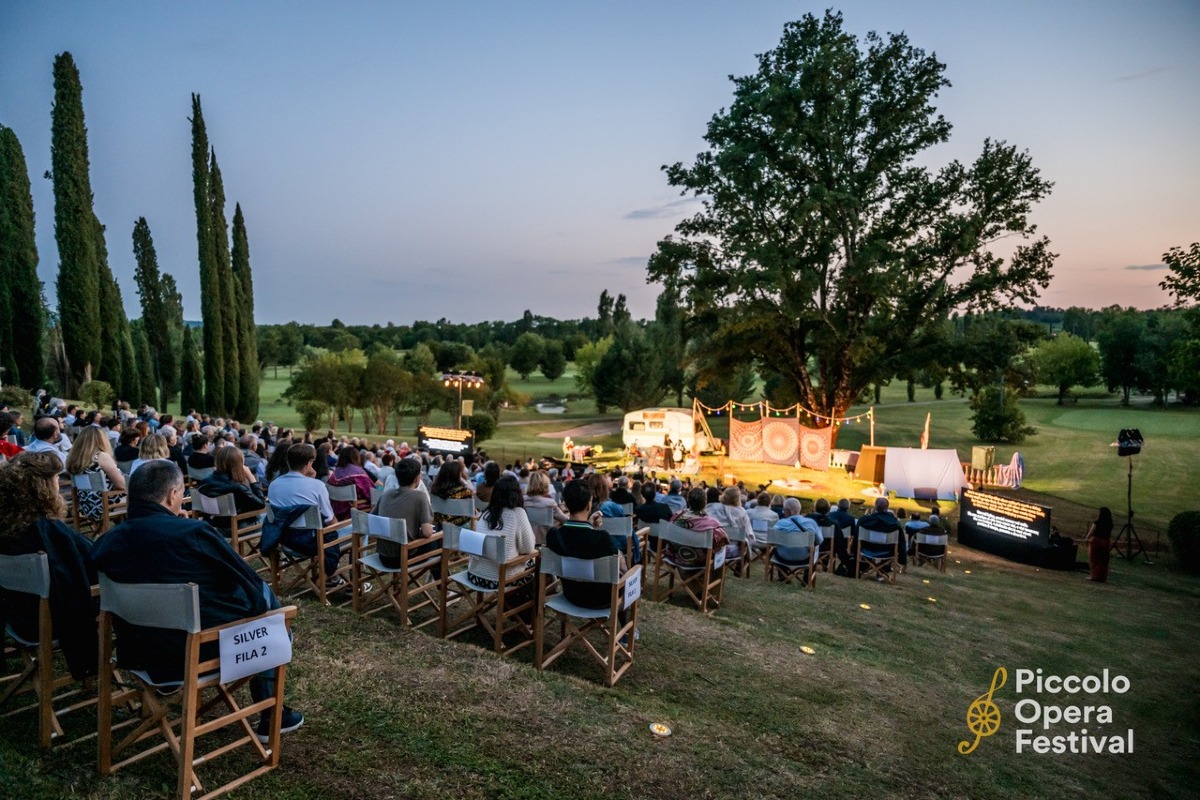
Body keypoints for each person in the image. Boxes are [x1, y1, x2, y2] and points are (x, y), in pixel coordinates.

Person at [89, 460, 304, 741]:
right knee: (270, 609)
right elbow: (249, 581)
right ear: (171, 496)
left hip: (137, 651)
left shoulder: (106, 542)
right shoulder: (194, 534)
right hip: (197, 652)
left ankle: (168, 690)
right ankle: (270, 715)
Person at [0, 452, 97, 680]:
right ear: (43, 486)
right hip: (54, 619)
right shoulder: (49, 531)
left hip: (16, 616)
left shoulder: (8, 527)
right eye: (56, 479)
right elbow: (94, 558)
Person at [265, 444, 340, 586]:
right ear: (309, 463)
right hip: (311, 543)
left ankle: (330, 576)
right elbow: (330, 520)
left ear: (288, 461)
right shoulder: (317, 486)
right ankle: (328, 577)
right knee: (348, 533)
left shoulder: (274, 485)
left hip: (283, 540)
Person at [544, 479, 625, 610]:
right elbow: (615, 561)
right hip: (604, 599)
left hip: (570, 595)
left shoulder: (553, 536)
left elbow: (577, 538)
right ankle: (627, 629)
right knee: (621, 560)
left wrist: (588, 524)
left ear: (566, 504)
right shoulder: (601, 537)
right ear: (589, 505)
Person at [467, 475, 535, 591]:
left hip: (475, 574)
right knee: (536, 563)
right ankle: (521, 607)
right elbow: (528, 549)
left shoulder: (485, 514)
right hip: (500, 579)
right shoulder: (518, 513)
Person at [373, 457, 435, 569]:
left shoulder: (386, 494)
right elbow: (427, 533)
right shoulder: (420, 497)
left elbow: (372, 519)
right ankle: (441, 584)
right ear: (417, 479)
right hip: (405, 556)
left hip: (384, 556)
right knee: (438, 541)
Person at [64, 426, 127, 525]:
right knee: (142, 498)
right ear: (102, 440)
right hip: (104, 506)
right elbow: (122, 485)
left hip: (86, 507)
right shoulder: (101, 456)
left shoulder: (74, 459)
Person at [197, 446, 267, 533]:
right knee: (271, 517)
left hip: (212, 527)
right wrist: (252, 479)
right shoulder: (237, 488)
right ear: (239, 465)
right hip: (234, 529)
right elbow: (261, 504)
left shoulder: (205, 482)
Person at [666, 487, 729, 569]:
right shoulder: (713, 524)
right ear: (705, 502)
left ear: (688, 501)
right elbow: (722, 543)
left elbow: (669, 536)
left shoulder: (676, 517)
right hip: (701, 561)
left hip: (678, 557)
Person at [857, 497, 904, 574]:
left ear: (875, 506)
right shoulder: (895, 523)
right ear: (887, 508)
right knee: (892, 545)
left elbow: (857, 535)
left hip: (866, 549)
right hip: (886, 551)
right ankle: (883, 571)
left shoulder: (864, 520)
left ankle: (864, 568)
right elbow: (901, 542)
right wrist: (902, 559)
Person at [773, 497, 824, 565]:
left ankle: (783, 575)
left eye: (784, 510)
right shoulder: (811, 523)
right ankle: (807, 575)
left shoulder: (780, 523)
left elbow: (772, 540)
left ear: (789, 511)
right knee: (814, 551)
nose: (783, 512)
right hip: (805, 558)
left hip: (782, 558)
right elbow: (820, 541)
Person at [328, 447, 374, 520]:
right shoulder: (359, 473)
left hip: (335, 511)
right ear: (356, 457)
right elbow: (371, 493)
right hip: (353, 511)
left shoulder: (334, 474)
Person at [523, 470, 568, 544]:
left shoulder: (521, 502)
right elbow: (565, 520)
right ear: (545, 486)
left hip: (527, 542)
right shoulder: (550, 503)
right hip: (545, 543)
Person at [431, 459, 474, 530]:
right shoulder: (464, 491)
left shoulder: (434, 490)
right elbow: (468, 514)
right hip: (461, 528)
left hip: (441, 528)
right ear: (457, 474)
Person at [1085, 507, 1113, 583]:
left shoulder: (1097, 522)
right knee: (1104, 560)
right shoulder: (1110, 524)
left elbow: (1092, 531)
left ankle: (1094, 576)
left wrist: (1087, 537)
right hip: (1106, 542)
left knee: (1094, 559)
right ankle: (1103, 577)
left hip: (1096, 541)